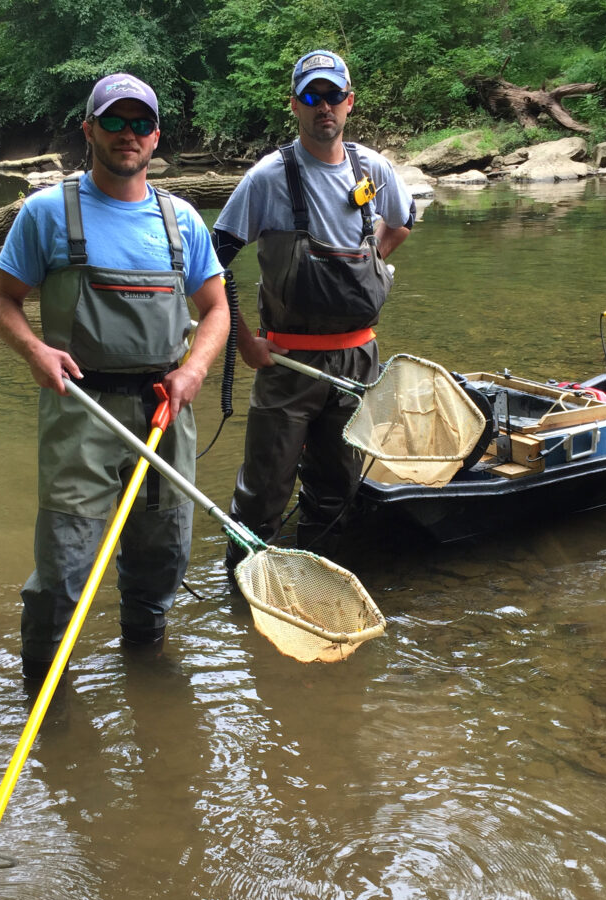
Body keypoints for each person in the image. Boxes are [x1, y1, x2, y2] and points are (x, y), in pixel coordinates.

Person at [0, 72, 229, 678]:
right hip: (79, 412)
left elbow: (218, 308)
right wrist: (36, 353)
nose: (128, 135)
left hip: (165, 411)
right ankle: (45, 689)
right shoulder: (47, 212)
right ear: (89, 129)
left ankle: (146, 677)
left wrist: (196, 368)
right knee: (64, 569)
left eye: (140, 123)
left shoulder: (184, 222)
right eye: (114, 122)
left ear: (155, 137)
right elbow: (2, 300)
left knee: (162, 559)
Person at [213, 49, 415, 569]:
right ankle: (243, 591)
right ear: (295, 106)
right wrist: (244, 340)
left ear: (349, 102)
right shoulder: (266, 178)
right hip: (286, 366)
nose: (323, 106)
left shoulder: (375, 168)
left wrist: (372, 263)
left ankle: (316, 574)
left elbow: (403, 221)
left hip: (358, 364)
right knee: (263, 491)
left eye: (332, 96)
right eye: (311, 96)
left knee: (339, 486)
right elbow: (213, 262)